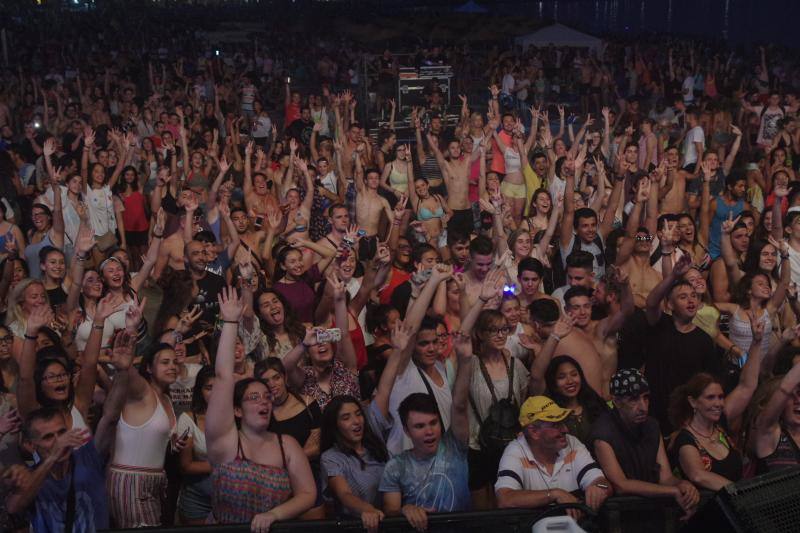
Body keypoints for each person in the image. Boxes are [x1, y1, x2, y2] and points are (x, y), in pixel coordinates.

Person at [204, 287, 316, 529]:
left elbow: (307, 494)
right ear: (237, 410)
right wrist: (231, 321)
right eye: (253, 397)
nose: (263, 401)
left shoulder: (286, 444)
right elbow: (223, 376)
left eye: (266, 396)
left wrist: (275, 514)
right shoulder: (225, 443)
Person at [7, 331, 135, 531]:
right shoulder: (30, 477)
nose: (60, 440)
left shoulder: (88, 457)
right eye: (49, 437)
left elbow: (110, 417)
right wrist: (51, 459)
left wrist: (123, 371)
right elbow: (14, 506)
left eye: (62, 432)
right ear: (30, 445)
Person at [379, 329, 474, 529]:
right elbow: (391, 512)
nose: (429, 431)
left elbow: (459, 405)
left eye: (433, 423)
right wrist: (404, 510)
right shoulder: (396, 466)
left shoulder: (454, 445)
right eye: (419, 426)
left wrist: (465, 360)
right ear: (406, 430)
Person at [592, 369, 701, 519]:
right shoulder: (603, 432)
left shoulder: (652, 426)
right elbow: (621, 485)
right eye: (633, 399)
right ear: (616, 402)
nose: (643, 407)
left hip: (653, 510)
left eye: (646, 398)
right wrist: (672, 491)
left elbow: (666, 478)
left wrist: (682, 485)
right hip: (619, 515)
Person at [495, 396, 612, 519]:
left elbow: (604, 484)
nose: (565, 429)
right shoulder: (515, 452)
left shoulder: (572, 443)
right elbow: (505, 499)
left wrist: (599, 488)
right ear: (534, 432)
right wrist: (555, 494)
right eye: (556, 425)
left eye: (563, 422)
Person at [176, 366, 214, 525]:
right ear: (200, 390)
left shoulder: (237, 414)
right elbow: (186, 466)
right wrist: (221, 465)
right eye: (209, 388)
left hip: (231, 497)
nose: (215, 393)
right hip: (197, 500)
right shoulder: (188, 419)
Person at [543, 356, 608, 445]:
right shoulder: (549, 414)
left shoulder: (596, 404)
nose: (570, 381)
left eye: (574, 375)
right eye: (561, 377)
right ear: (553, 382)